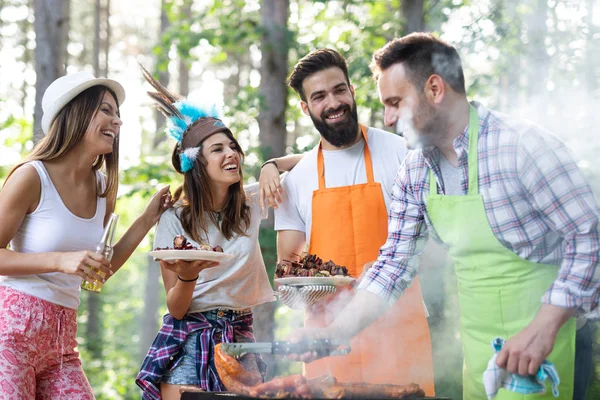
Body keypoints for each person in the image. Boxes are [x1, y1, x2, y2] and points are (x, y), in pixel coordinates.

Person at [290, 33, 600, 400]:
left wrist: (547, 325)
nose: (387, 119)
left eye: (395, 103)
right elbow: (392, 266)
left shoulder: (521, 147)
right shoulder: (416, 171)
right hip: (482, 353)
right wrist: (333, 333)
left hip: (553, 344)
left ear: (435, 88)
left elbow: (589, 236)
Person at [262, 48, 435, 394]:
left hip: (400, 334)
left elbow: (434, 242)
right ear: (305, 108)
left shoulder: (402, 155)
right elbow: (289, 272)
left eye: (339, 90)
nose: (333, 102)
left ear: (353, 91)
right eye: (319, 96)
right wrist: (320, 290)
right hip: (326, 339)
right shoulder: (296, 181)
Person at [0, 71, 172, 399]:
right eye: (106, 110)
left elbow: (100, 269)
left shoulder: (103, 188)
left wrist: (149, 217)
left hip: (63, 341)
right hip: (11, 332)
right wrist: (61, 261)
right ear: (75, 114)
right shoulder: (31, 177)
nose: (117, 121)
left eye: (117, 114)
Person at [135, 68, 275, 400]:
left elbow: (314, 161)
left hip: (241, 335)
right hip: (190, 335)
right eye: (217, 149)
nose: (231, 154)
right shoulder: (173, 220)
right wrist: (187, 277)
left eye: (233, 146)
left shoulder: (252, 201)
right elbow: (178, 309)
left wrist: (272, 165)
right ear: (197, 165)